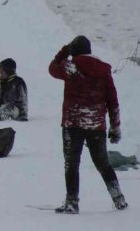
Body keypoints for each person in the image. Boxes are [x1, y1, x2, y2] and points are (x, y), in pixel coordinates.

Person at [49, 36, 127, 214]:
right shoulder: (103, 71)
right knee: (103, 163)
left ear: (74, 50)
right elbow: (112, 101)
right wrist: (115, 127)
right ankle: (118, 198)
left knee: (72, 164)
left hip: (73, 122)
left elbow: (52, 68)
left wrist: (63, 52)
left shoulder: (70, 66)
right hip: (96, 124)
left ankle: (72, 202)